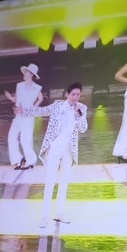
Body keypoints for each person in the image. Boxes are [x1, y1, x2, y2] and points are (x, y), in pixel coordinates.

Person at [22, 82, 88, 228]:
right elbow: (41, 111)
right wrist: (24, 111)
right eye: (73, 94)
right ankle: (44, 216)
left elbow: (83, 129)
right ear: (67, 94)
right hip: (54, 146)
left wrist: (79, 115)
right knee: (50, 179)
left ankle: (59, 213)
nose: (75, 97)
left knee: (64, 181)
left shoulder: (82, 108)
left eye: (78, 94)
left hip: (69, 149)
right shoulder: (58, 105)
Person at [4, 63, 43, 170]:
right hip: (18, 115)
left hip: (28, 116)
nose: (24, 73)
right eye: (24, 72)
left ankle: (30, 161)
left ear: (31, 74)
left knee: (25, 140)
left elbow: (40, 98)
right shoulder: (19, 85)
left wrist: (33, 108)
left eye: (26, 72)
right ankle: (18, 159)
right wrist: (9, 97)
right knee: (11, 137)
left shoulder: (36, 87)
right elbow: (16, 100)